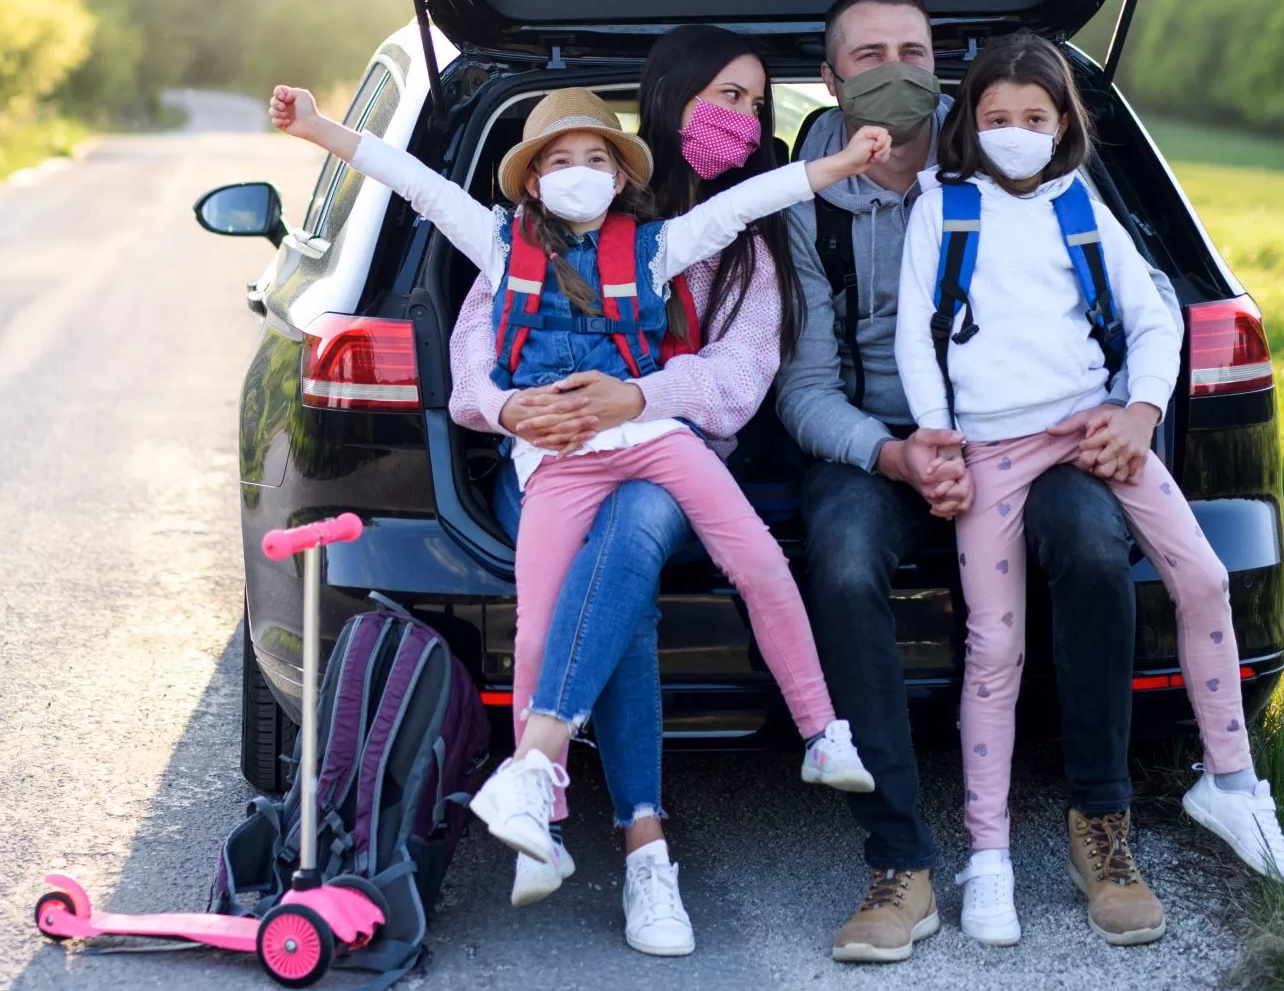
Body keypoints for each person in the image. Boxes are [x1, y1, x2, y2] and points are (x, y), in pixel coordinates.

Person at [265, 79, 888, 878]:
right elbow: (415, 180)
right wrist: (320, 128)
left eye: (598, 157)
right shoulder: (496, 245)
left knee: (760, 559)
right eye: (561, 160)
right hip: (558, 464)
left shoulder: (658, 247)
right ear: (532, 181)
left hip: (653, 439)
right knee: (537, 626)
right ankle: (541, 814)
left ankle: (820, 730)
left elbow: (741, 207)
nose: (581, 171)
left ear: (622, 176)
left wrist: (836, 164)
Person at [778, 0, 1173, 961]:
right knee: (838, 556)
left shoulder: (1015, 137)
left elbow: (1139, 290)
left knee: (1087, 540)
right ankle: (899, 865)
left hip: (1034, 434)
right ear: (828, 80)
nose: (896, 70)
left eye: (913, 50)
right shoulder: (809, 196)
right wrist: (895, 453)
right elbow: (804, 383)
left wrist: (1130, 409)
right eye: (867, 55)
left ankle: (1101, 827)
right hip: (882, 443)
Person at [895, 32, 1284, 945]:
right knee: (995, 648)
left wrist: (1142, 413)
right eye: (995, 117)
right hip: (994, 451)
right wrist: (937, 434)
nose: (1013, 132)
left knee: (1203, 579)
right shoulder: (943, 209)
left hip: (1094, 432)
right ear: (969, 123)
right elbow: (917, 339)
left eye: (1033, 118)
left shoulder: (1081, 204)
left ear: (1062, 124)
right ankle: (988, 856)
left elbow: (1156, 318)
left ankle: (1231, 783)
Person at [445, 25, 808, 956]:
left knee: (638, 521)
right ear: (671, 101)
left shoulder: (739, 247)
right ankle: (644, 843)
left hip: (670, 460)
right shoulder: (551, 236)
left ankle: (549, 780)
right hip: (554, 456)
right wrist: (508, 407)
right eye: (726, 95)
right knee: (624, 582)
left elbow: (739, 378)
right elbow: (480, 339)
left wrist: (639, 394)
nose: (745, 118)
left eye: (757, 105)